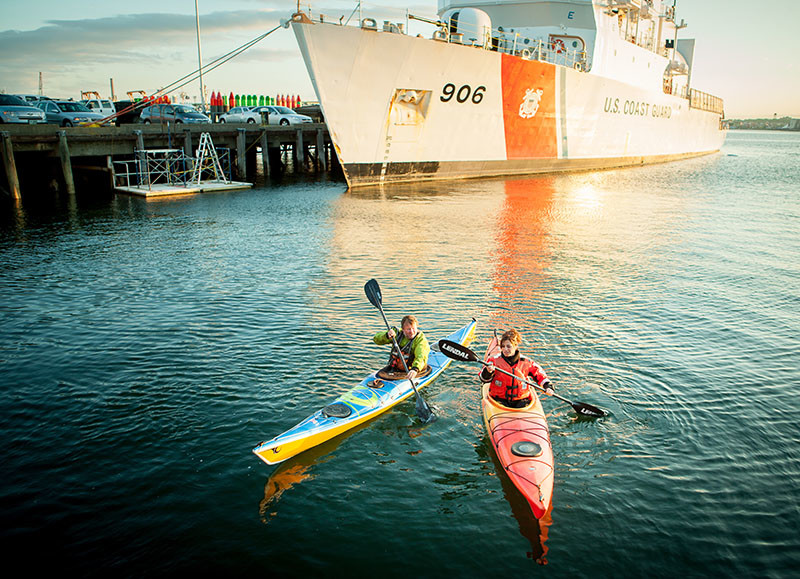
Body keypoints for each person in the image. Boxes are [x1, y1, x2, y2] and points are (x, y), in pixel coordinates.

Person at [479, 329, 555, 408]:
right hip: (499, 400)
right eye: (503, 346)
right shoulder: (493, 360)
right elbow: (483, 379)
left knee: (523, 404)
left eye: (508, 346)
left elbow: (539, 374)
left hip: (521, 400)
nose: (505, 349)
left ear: (515, 346)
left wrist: (548, 386)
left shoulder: (526, 362)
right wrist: (488, 371)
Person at [373, 315, 430, 381]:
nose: (411, 332)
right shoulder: (396, 334)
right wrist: (387, 335)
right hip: (396, 368)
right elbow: (376, 339)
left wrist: (415, 369)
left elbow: (421, 355)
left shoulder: (420, 340)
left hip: (414, 370)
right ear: (403, 329)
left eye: (414, 328)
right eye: (408, 329)